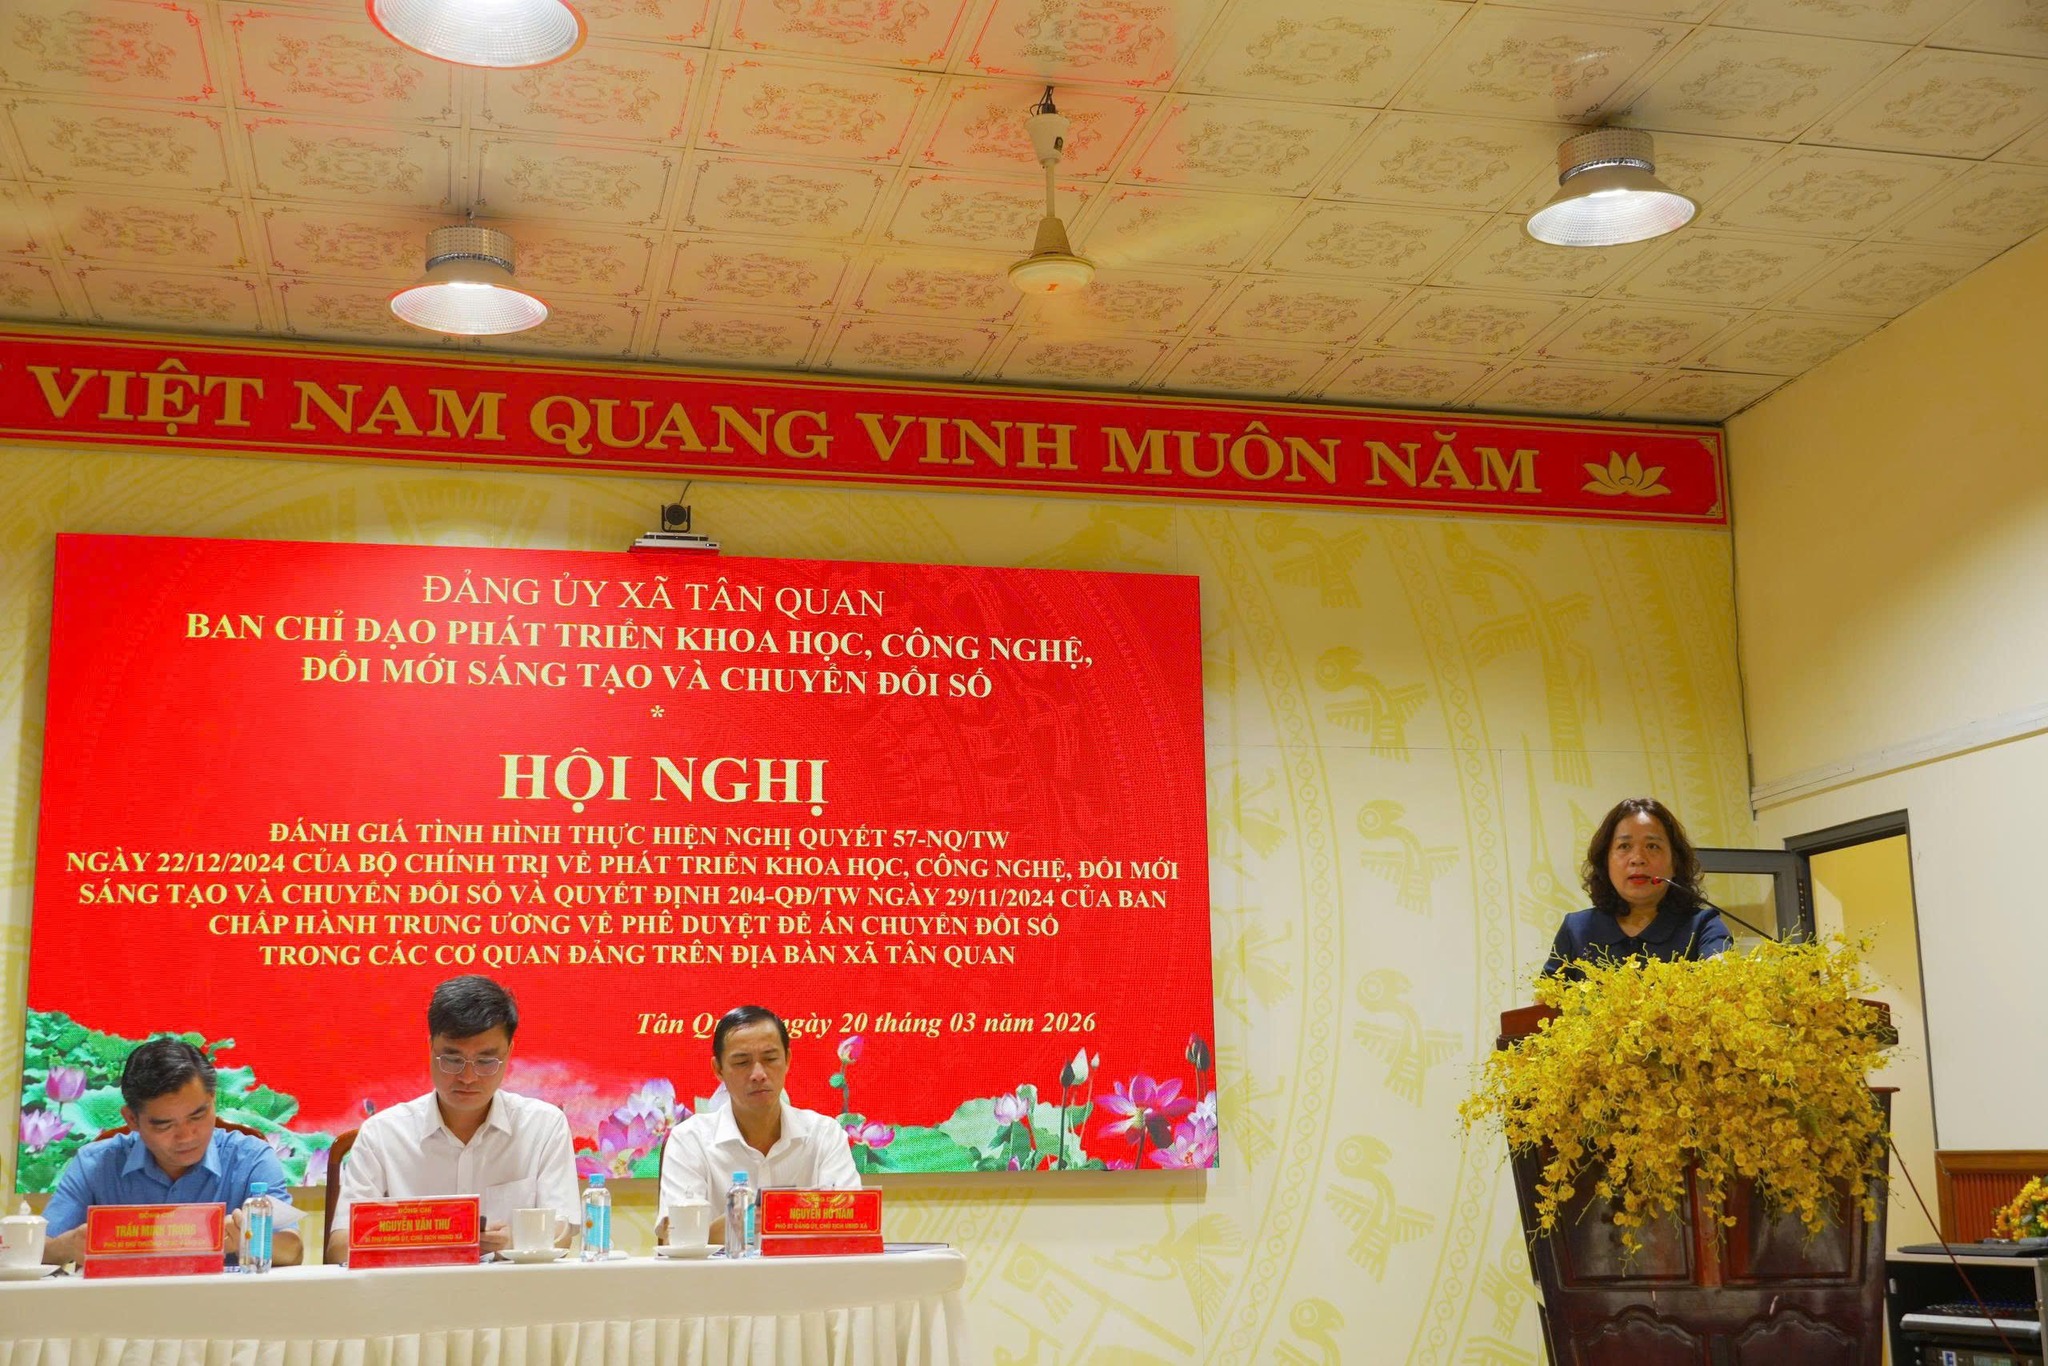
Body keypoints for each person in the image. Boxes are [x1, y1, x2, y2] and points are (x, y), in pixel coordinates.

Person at [327, 975, 578, 1263]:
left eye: (486, 1061)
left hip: (509, 1287)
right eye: (452, 1059)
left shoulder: (543, 1127)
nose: (468, 1077)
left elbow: (563, 1233)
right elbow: (338, 1248)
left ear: (509, 1052)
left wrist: (516, 1241)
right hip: (412, 1288)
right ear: (431, 1047)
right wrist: (436, 1238)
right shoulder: (382, 1134)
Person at [41, 1038, 303, 1266]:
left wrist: (246, 1238)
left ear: (213, 1100)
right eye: (164, 1125)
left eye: (197, 1116)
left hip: (223, 1304)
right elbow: (38, 1250)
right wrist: (70, 1244)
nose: (186, 1136)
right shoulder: (95, 1164)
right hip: (123, 1303)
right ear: (132, 1119)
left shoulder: (252, 1158)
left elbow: (292, 1250)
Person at [657, 1005, 859, 1245]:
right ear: (718, 1069)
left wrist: (772, 1218)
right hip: (720, 1270)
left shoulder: (825, 1134)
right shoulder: (689, 1139)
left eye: (770, 1059)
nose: (758, 1074)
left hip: (806, 1269)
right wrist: (752, 1221)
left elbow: (850, 1226)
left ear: (787, 1060)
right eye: (742, 1062)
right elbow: (676, 1238)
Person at [1544, 797, 1733, 978]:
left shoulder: (1703, 926)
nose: (1638, 858)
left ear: (1675, 862)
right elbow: (1547, 996)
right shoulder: (1576, 929)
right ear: (1605, 861)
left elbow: (1720, 978)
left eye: (1652, 846)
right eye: (1624, 846)